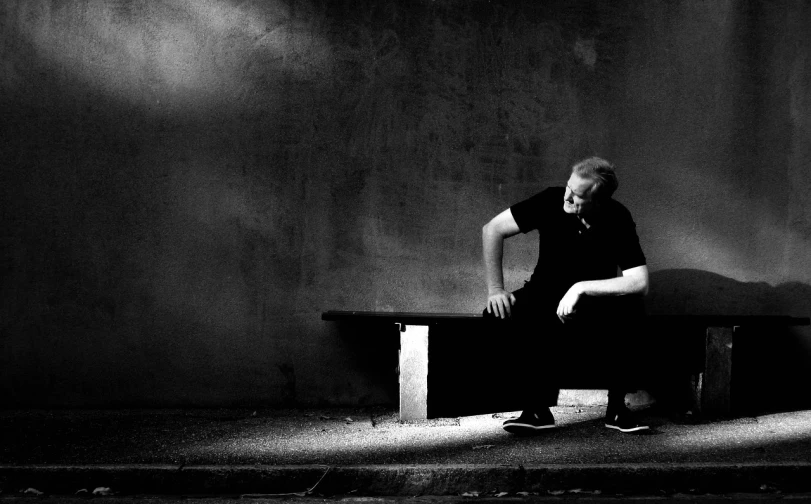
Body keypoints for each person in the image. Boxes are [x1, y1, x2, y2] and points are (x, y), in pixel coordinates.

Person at [481, 156, 650, 434]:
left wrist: (581, 288)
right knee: (497, 314)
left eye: (578, 195)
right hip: (544, 296)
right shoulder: (551, 200)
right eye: (569, 187)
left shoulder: (617, 216)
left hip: (591, 305)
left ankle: (617, 410)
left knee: (631, 308)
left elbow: (639, 282)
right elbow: (492, 229)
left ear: (599, 201)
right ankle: (536, 410)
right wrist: (495, 289)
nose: (568, 196)